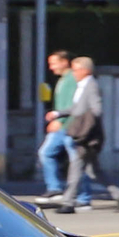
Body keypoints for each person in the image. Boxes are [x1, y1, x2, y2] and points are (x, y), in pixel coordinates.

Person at [57, 55, 119, 211]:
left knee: (75, 167)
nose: (73, 73)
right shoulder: (81, 86)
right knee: (93, 171)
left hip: (88, 136)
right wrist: (58, 114)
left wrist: (84, 125)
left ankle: (67, 203)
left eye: (76, 70)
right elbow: (76, 109)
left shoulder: (91, 86)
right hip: (85, 134)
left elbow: (96, 109)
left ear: (85, 70)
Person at [37, 50, 76, 196]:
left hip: (69, 126)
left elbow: (73, 103)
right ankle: (55, 188)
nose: (51, 67)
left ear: (64, 62)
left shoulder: (71, 79)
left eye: (54, 63)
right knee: (47, 153)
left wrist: (60, 120)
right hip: (63, 125)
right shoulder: (64, 79)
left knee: (76, 161)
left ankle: (77, 194)